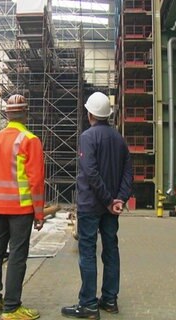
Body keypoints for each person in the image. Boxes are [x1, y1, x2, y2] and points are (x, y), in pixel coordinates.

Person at [61, 92, 133, 319]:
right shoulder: (119, 139)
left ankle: (89, 304)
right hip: (111, 209)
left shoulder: (87, 137)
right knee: (111, 251)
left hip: (92, 206)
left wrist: (109, 200)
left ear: (90, 113)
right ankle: (110, 300)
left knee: (88, 252)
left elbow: (91, 173)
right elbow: (128, 173)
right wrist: (119, 199)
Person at [0, 94, 45, 320]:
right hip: (21, 208)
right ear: (25, 114)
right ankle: (11, 308)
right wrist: (39, 212)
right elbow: (36, 181)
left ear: (7, 114)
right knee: (18, 254)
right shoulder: (29, 140)